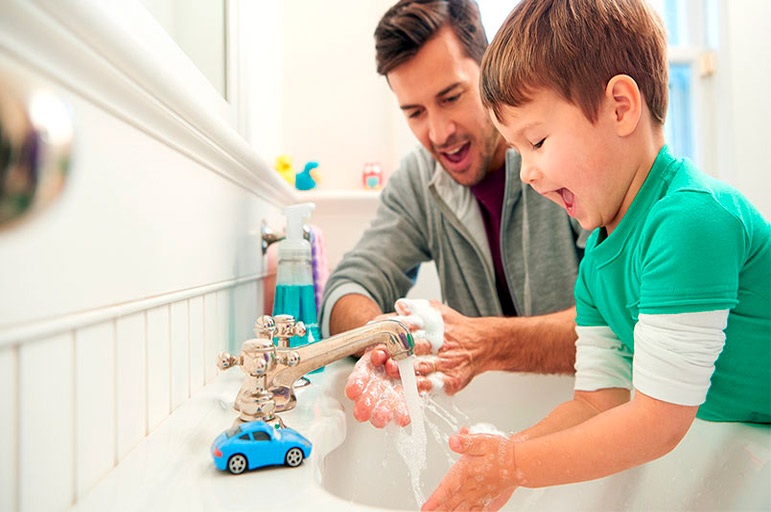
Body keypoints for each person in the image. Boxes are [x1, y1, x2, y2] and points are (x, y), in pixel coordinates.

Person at [422, 0, 771, 509]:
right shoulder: (597, 267)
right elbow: (595, 403)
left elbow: (657, 424)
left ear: (620, 107)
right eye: (517, 152)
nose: (525, 173)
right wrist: (499, 459)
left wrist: (514, 466)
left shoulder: (691, 220)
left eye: (537, 141)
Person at [319, 0, 586, 427]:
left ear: (489, 67)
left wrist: (484, 343)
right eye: (415, 113)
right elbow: (345, 289)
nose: (439, 132)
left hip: (591, 421)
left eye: (451, 97)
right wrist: (385, 337)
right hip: (493, 426)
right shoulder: (417, 181)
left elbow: (625, 317)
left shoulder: (560, 151)